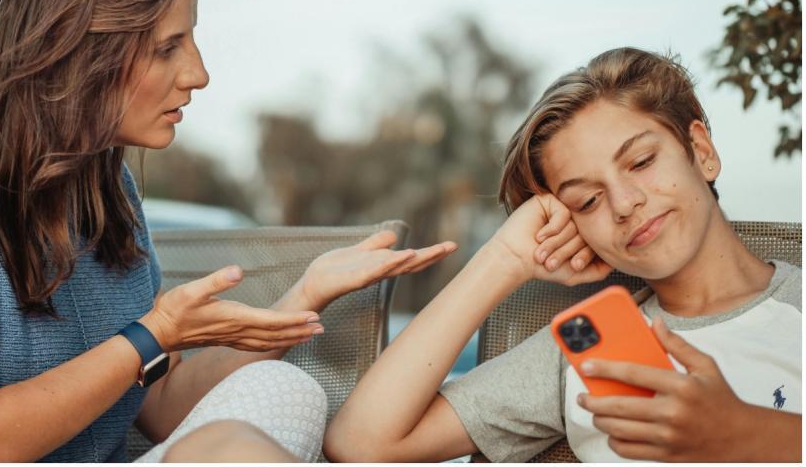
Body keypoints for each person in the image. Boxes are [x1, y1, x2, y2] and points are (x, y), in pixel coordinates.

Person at [0, 0, 457, 463]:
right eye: (167, 47)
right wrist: (154, 333)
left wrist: (303, 294)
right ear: (77, 50)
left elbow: (162, 405)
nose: (198, 74)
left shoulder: (108, 191)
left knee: (286, 391)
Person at [325, 47, 801, 462]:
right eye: (587, 201)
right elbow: (361, 444)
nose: (624, 203)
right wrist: (502, 259)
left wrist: (744, 435)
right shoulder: (581, 351)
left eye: (641, 161)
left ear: (700, 151)